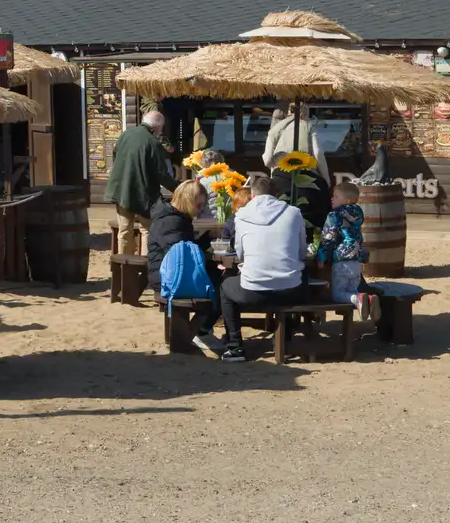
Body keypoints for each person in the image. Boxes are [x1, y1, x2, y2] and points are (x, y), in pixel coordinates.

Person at [220, 174, 308, 363]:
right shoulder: (294, 213)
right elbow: (302, 251)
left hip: (253, 291)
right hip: (290, 292)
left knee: (225, 288)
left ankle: (235, 347)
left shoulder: (241, 215)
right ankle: (286, 339)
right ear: (276, 195)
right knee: (300, 274)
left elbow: (241, 253)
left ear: (252, 196)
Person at [147, 181, 222, 355]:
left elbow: (186, 253)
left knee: (217, 275)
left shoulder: (175, 217)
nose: (200, 209)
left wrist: (208, 238)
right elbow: (183, 257)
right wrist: (207, 244)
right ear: (188, 200)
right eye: (199, 205)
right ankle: (202, 330)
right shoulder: (172, 221)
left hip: (169, 273)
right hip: (167, 278)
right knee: (221, 287)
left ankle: (202, 329)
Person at [106, 111, 177, 255]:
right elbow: (161, 173)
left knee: (124, 230)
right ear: (157, 125)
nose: (161, 131)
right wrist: (177, 188)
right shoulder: (153, 142)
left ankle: (124, 264)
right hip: (144, 193)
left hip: (122, 190)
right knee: (147, 230)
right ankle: (146, 264)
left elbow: (115, 156)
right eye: (161, 127)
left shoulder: (125, 135)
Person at [317, 181, 376, 320]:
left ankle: (360, 299)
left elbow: (328, 238)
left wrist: (321, 257)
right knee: (351, 291)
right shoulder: (358, 214)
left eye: (336, 196)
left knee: (338, 295)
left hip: (341, 261)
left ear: (347, 200)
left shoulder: (334, 215)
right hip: (356, 262)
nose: (332, 199)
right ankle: (367, 300)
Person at [263, 104, 332, 185]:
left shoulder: (274, 130)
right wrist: (326, 179)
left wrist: (276, 168)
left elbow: (267, 160)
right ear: (304, 114)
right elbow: (317, 152)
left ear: (289, 113)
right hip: (304, 174)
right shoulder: (308, 126)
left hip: (279, 177)